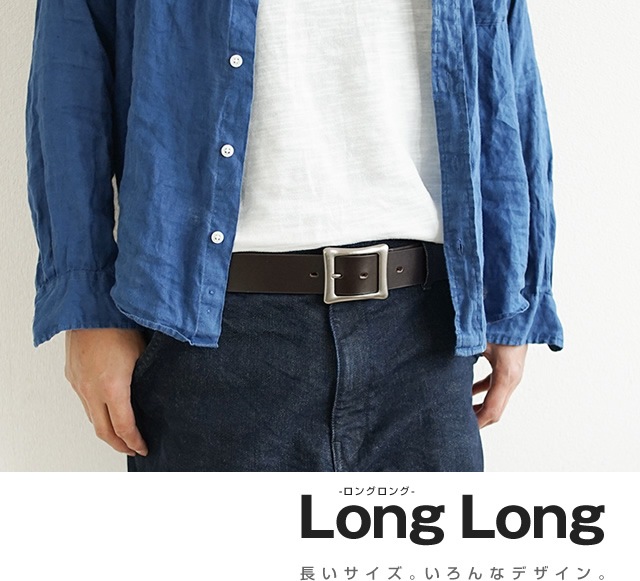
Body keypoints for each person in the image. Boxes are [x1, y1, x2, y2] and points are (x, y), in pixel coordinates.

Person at [25, 0, 563, 471]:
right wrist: (88, 307)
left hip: (427, 329)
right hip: (215, 332)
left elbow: (505, 58)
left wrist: (518, 293)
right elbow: (70, 66)